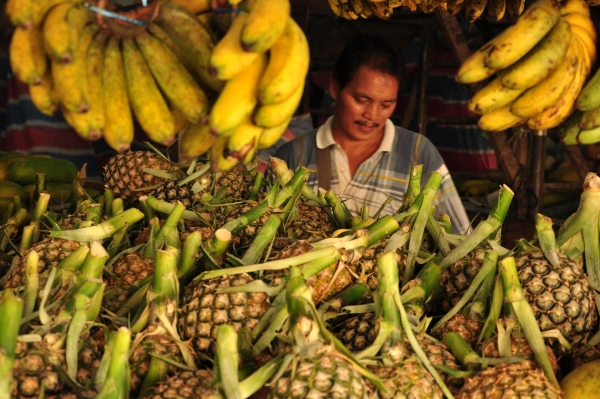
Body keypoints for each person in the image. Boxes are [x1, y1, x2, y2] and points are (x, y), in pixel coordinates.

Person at [271, 32, 471, 234]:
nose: (372, 115)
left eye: (386, 104)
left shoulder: (419, 153)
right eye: (362, 100)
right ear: (334, 87)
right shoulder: (292, 157)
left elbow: (461, 237)